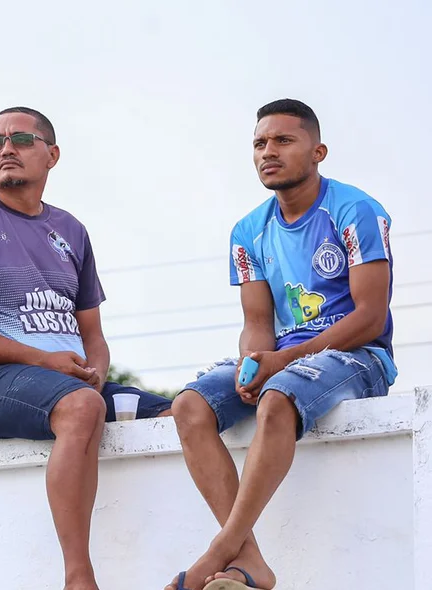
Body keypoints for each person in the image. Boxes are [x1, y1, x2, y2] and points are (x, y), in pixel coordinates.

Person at [0, 106, 172, 590]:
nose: (5, 149)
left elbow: (92, 334)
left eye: (20, 139)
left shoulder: (71, 231)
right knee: (80, 407)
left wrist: (95, 369)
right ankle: (79, 577)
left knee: (185, 415)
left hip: (64, 380)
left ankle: (225, 561)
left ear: (52, 155)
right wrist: (46, 361)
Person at [164, 99, 396, 590]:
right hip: (286, 356)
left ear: (318, 151)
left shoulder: (355, 210)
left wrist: (283, 361)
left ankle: (219, 551)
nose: (268, 151)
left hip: (359, 355)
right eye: (259, 143)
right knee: (188, 405)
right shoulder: (248, 231)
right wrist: (254, 360)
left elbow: (371, 316)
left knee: (277, 398)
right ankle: (251, 564)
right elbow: (256, 322)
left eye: (283, 141)